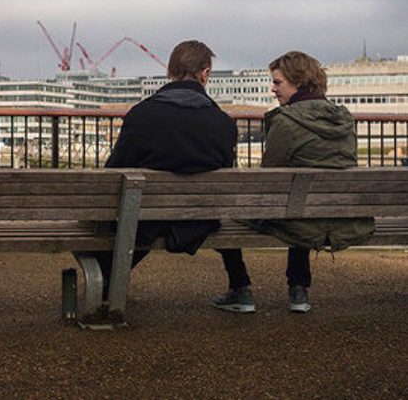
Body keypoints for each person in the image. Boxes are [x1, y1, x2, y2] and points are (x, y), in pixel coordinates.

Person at [213, 51, 374, 314]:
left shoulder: (286, 122)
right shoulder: (344, 120)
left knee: (229, 213)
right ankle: (298, 288)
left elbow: (269, 179)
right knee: (301, 204)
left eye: (278, 83)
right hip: (343, 220)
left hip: (301, 220)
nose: (272, 89)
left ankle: (240, 287)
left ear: (299, 82)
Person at [87, 40, 237, 298]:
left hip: (144, 220)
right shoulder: (223, 123)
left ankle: (104, 285)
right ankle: (241, 284)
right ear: (205, 74)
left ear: (170, 72)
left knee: (126, 219)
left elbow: (114, 170)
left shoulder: (141, 115)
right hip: (197, 221)